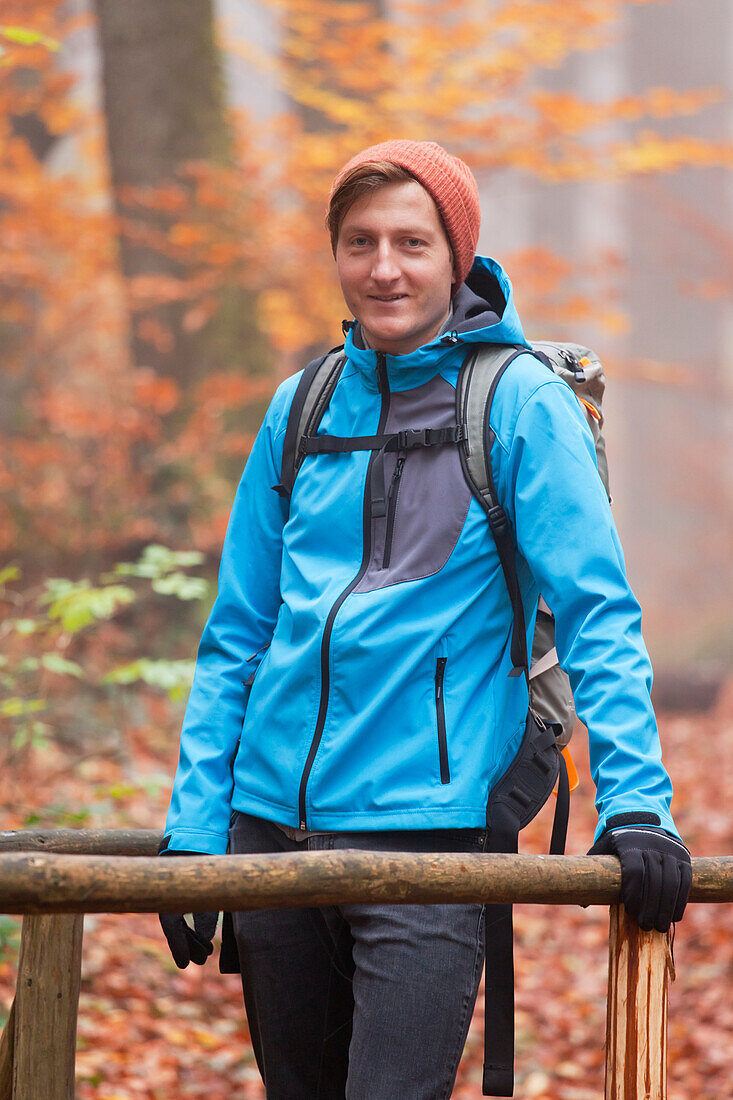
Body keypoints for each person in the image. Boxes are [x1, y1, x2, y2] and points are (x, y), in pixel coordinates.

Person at [158, 139, 691, 1099]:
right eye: (359, 242)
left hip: (427, 845)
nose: (383, 268)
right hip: (268, 835)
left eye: (411, 241)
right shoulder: (302, 403)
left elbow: (597, 615)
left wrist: (637, 804)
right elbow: (239, 631)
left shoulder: (519, 401)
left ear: (458, 256)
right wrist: (198, 833)